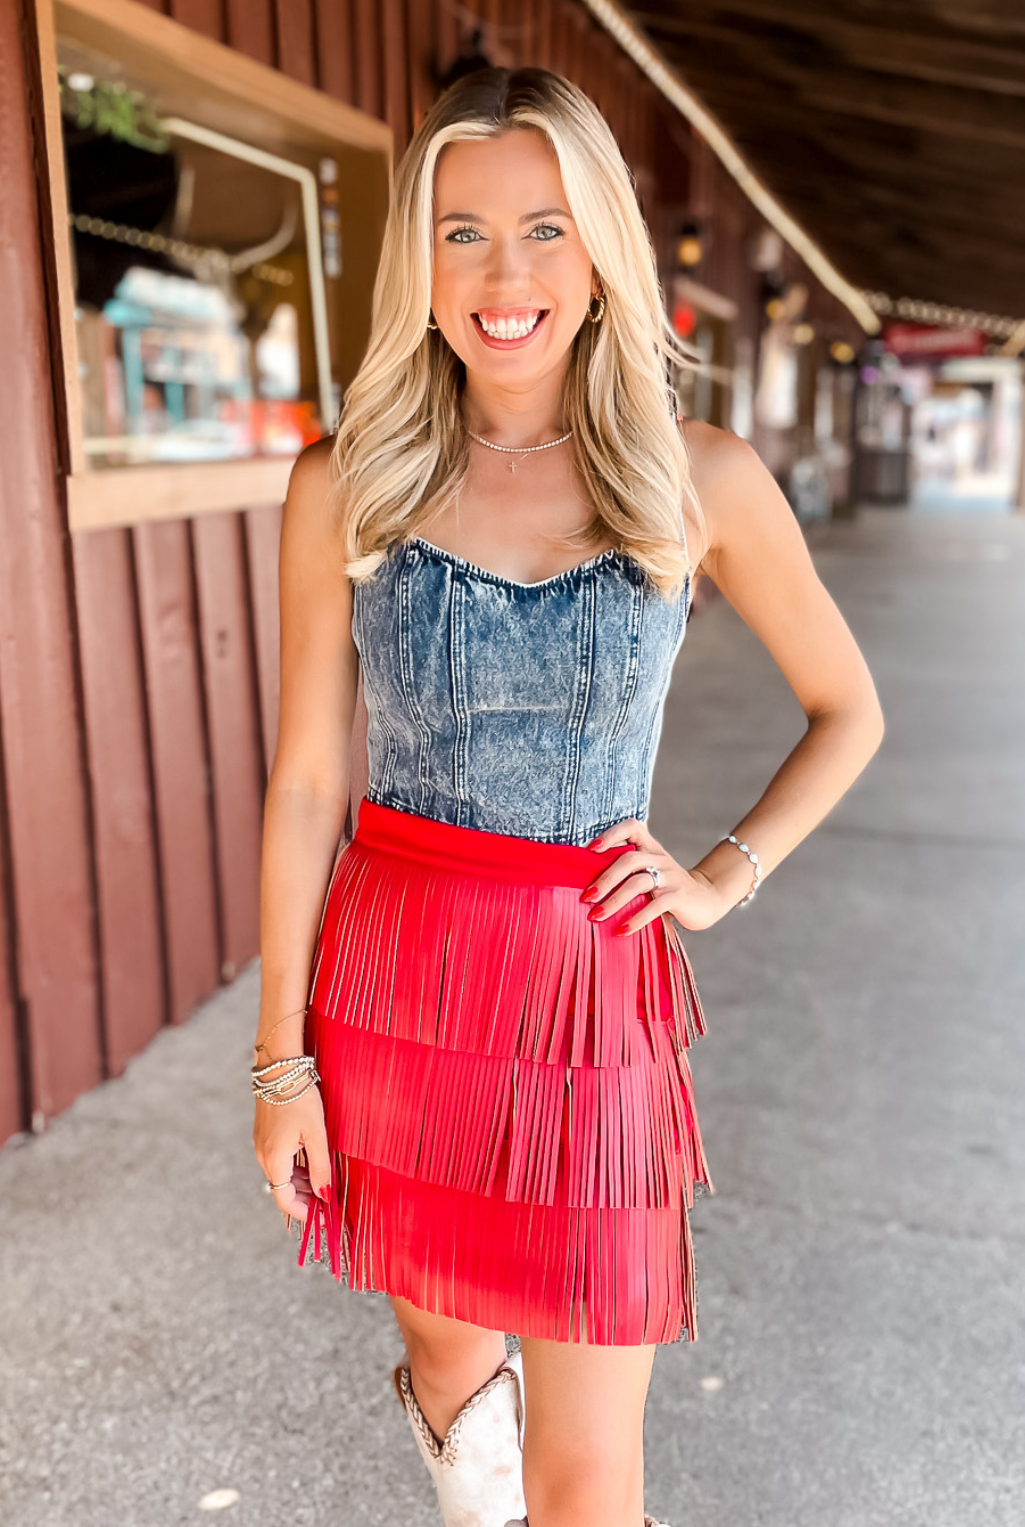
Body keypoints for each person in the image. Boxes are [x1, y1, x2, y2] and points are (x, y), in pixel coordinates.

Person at [252, 66, 884, 1527]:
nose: (505, 273)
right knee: (456, 1379)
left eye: (543, 227)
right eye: (462, 232)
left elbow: (848, 710)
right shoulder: (346, 482)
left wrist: (724, 872)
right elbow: (303, 783)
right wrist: (279, 1061)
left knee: (591, 1468)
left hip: (591, 999)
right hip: (396, 990)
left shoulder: (697, 478)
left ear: (601, 249)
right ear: (418, 259)